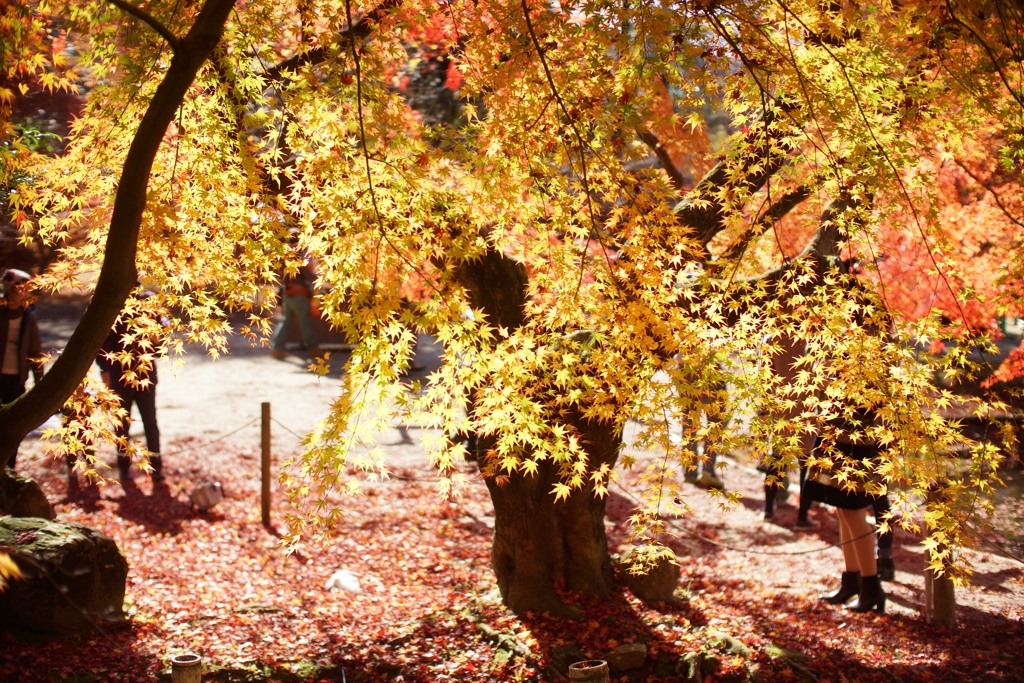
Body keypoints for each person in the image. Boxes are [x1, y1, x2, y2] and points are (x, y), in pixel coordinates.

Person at [802, 409, 888, 613]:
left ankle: (871, 587)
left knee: (852, 509)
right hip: (837, 430)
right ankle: (852, 580)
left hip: (856, 435)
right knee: (842, 508)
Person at [96, 292, 166, 482]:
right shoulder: (118, 314)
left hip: (146, 378)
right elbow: (103, 347)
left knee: (150, 422)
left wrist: (156, 339)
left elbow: (162, 350)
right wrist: (105, 372)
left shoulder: (156, 317)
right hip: (121, 378)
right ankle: (123, 467)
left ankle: (156, 465)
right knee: (121, 425)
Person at [0, 269, 43, 471]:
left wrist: (40, 383)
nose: (21, 293)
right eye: (17, 288)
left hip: (16, 382)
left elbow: (35, 352)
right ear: (8, 289)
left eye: (25, 289)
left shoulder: (28, 316)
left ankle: (9, 471)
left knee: (12, 431)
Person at [271, 236, 320, 359]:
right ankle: (313, 348)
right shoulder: (297, 258)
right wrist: (320, 280)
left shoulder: (283, 258)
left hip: (288, 294)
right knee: (305, 322)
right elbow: (310, 276)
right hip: (299, 295)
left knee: (286, 321)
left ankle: (277, 348)